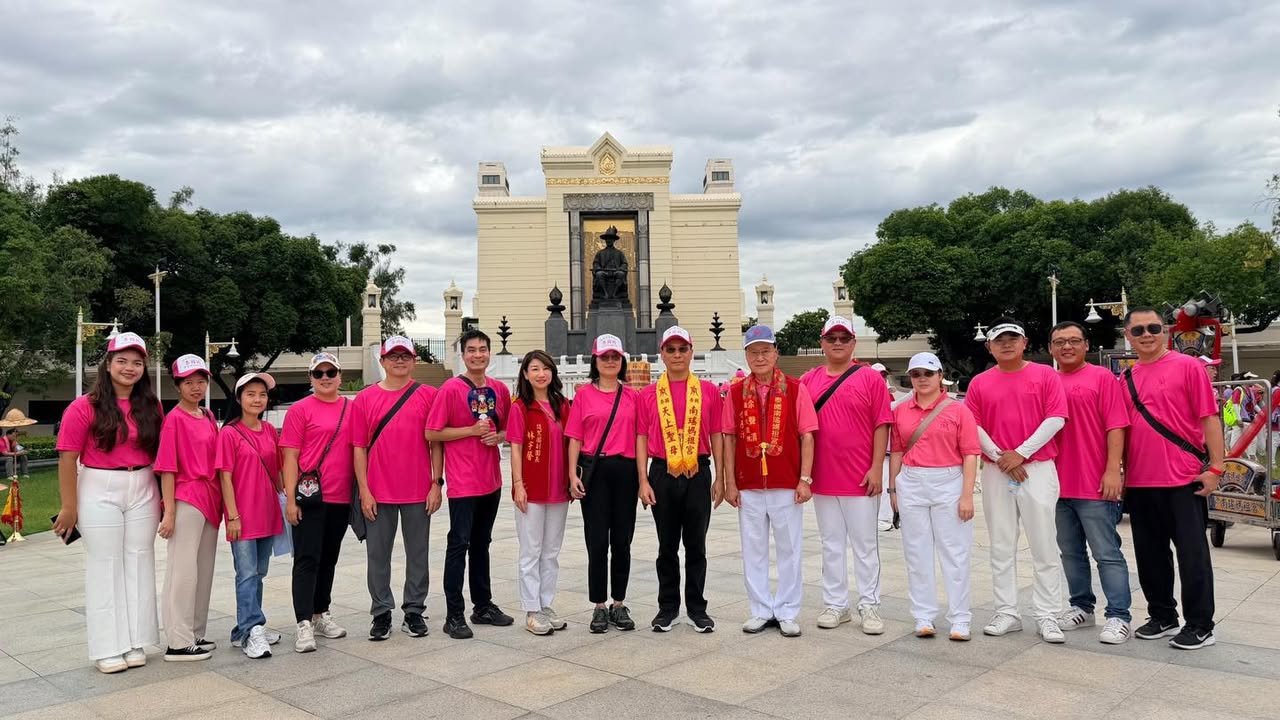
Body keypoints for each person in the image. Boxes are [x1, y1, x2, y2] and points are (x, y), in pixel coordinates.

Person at [52, 332, 164, 674]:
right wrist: (69, 507)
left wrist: (164, 500)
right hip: (99, 486)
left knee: (139, 561)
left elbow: (159, 454)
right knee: (106, 565)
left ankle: (134, 640)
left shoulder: (152, 405)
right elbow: (67, 459)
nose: (129, 368)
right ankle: (107, 646)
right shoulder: (84, 406)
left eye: (137, 362)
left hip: (143, 485)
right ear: (108, 364)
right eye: (122, 361)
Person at [1120, 308, 1224, 650]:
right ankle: (1162, 615)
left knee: (1193, 556)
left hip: (1184, 478)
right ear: (1127, 336)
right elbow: (1121, 431)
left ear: (1164, 331)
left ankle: (1200, 624)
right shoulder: (1126, 378)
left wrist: (1216, 469)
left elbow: (1209, 419)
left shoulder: (1188, 367)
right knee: (1150, 556)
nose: (1146, 334)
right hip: (1140, 480)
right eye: (1138, 330)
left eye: (1153, 328)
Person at [965, 318, 1068, 643]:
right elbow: (973, 425)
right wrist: (1001, 456)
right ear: (989, 346)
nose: (1006, 344)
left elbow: (1055, 418)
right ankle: (1007, 611)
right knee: (1001, 543)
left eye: (1013, 338)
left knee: (1044, 544)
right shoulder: (980, 383)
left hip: (1036, 468)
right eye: (999, 339)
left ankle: (1048, 614)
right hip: (997, 470)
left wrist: (1020, 453)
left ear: (1025, 342)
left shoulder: (1045, 375)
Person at [799, 316, 893, 634]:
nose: (837, 343)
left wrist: (876, 467)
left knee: (865, 545)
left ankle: (869, 604)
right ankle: (836, 604)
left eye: (844, 338)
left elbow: (882, 424)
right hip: (823, 477)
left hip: (860, 477)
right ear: (822, 343)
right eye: (831, 338)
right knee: (831, 544)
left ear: (853, 343)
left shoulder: (870, 379)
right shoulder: (809, 380)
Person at [723, 325, 817, 637]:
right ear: (746, 355)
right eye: (753, 351)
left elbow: (807, 435)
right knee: (753, 549)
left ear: (776, 353)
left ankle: (788, 610)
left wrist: (804, 478)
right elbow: (729, 439)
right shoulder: (736, 392)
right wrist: (729, 483)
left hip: (786, 483)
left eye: (765, 351)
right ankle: (761, 609)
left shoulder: (795, 387)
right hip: (748, 484)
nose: (760, 357)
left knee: (790, 548)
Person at [1048, 322, 1133, 644]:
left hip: (1095, 484)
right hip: (1056, 485)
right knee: (1070, 553)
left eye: (1073, 341)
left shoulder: (1102, 378)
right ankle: (1082, 607)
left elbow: (1116, 426)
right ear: (1051, 347)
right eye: (1059, 342)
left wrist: (1113, 470)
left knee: (1107, 553)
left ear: (1086, 345)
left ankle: (1118, 615)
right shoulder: (1048, 380)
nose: (1066, 347)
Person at [636, 326, 725, 632]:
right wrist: (643, 481)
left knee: (696, 545)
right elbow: (641, 438)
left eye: (682, 349)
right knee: (666, 546)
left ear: (691, 352)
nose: (676, 355)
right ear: (662, 354)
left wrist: (721, 477)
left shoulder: (709, 391)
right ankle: (668, 607)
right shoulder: (648, 394)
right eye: (670, 350)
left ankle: (697, 608)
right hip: (661, 472)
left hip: (698, 471)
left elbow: (717, 435)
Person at [426, 329, 514, 639]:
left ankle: (483, 605)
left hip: (491, 480)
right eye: (472, 350)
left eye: (483, 349)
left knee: (482, 544)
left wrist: (497, 436)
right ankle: (454, 614)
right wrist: (470, 431)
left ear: (490, 353)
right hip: (463, 482)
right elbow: (432, 433)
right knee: (459, 544)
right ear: (463, 355)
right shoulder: (450, 389)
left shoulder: (500, 390)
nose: (478, 355)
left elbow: (508, 430)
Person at [352, 336, 441, 641]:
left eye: (405, 356)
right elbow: (359, 448)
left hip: (418, 490)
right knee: (378, 555)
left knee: (418, 553)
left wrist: (436, 483)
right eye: (393, 356)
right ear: (383, 360)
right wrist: (364, 490)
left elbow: (435, 443)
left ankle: (414, 610)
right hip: (378, 491)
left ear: (414, 360)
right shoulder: (365, 399)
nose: (399, 361)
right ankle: (381, 613)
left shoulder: (428, 395)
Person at [888, 352, 980, 640]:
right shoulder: (901, 410)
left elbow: (970, 454)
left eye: (928, 373)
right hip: (912, 481)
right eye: (916, 374)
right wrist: (893, 488)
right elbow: (898, 451)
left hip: (948, 481)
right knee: (916, 553)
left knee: (955, 552)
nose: (922, 379)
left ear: (941, 376)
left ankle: (960, 618)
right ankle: (924, 616)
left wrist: (967, 495)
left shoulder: (958, 410)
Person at [566, 334, 641, 633]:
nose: (610, 361)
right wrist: (572, 474)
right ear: (595, 361)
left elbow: (640, 439)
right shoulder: (583, 394)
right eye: (604, 357)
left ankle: (619, 603)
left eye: (615, 357)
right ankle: (598, 605)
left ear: (621, 361)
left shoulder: (633, 396)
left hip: (625, 471)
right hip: (595, 471)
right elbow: (575, 437)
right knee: (597, 542)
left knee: (622, 541)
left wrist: (643, 478)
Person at [281, 352, 354, 653]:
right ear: (311, 378)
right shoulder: (300, 410)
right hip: (310, 497)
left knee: (329, 558)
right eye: (319, 373)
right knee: (307, 558)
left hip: (340, 495)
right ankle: (303, 622)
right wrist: (289, 499)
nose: (325, 378)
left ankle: (320, 612)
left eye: (331, 372)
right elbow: (289, 456)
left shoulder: (352, 408)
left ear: (340, 376)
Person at [155, 355, 222, 662]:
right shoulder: (174, 420)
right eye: (188, 382)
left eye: (200, 381)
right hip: (187, 496)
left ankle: (195, 631)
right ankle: (177, 641)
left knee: (203, 569)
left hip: (210, 496)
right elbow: (167, 468)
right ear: (177, 385)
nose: (196, 387)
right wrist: (169, 512)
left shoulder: (206, 416)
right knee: (182, 570)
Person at [217, 372, 284, 659]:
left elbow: (278, 471)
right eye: (251, 394)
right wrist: (232, 516)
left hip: (267, 512)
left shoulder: (269, 430)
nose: (257, 399)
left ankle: (246, 627)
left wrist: (287, 501)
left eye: (262, 394)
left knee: (259, 573)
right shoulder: (229, 433)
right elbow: (225, 477)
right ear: (239, 398)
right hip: (242, 515)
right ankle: (252, 629)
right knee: (246, 574)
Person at [508, 350, 571, 635]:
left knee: (551, 552)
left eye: (546, 368)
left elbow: (574, 442)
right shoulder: (520, 407)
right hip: (531, 490)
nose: (541, 374)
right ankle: (532, 608)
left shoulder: (562, 405)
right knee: (531, 550)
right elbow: (517, 448)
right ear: (525, 374)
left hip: (558, 488)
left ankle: (546, 604)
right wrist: (518, 483)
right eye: (534, 369)